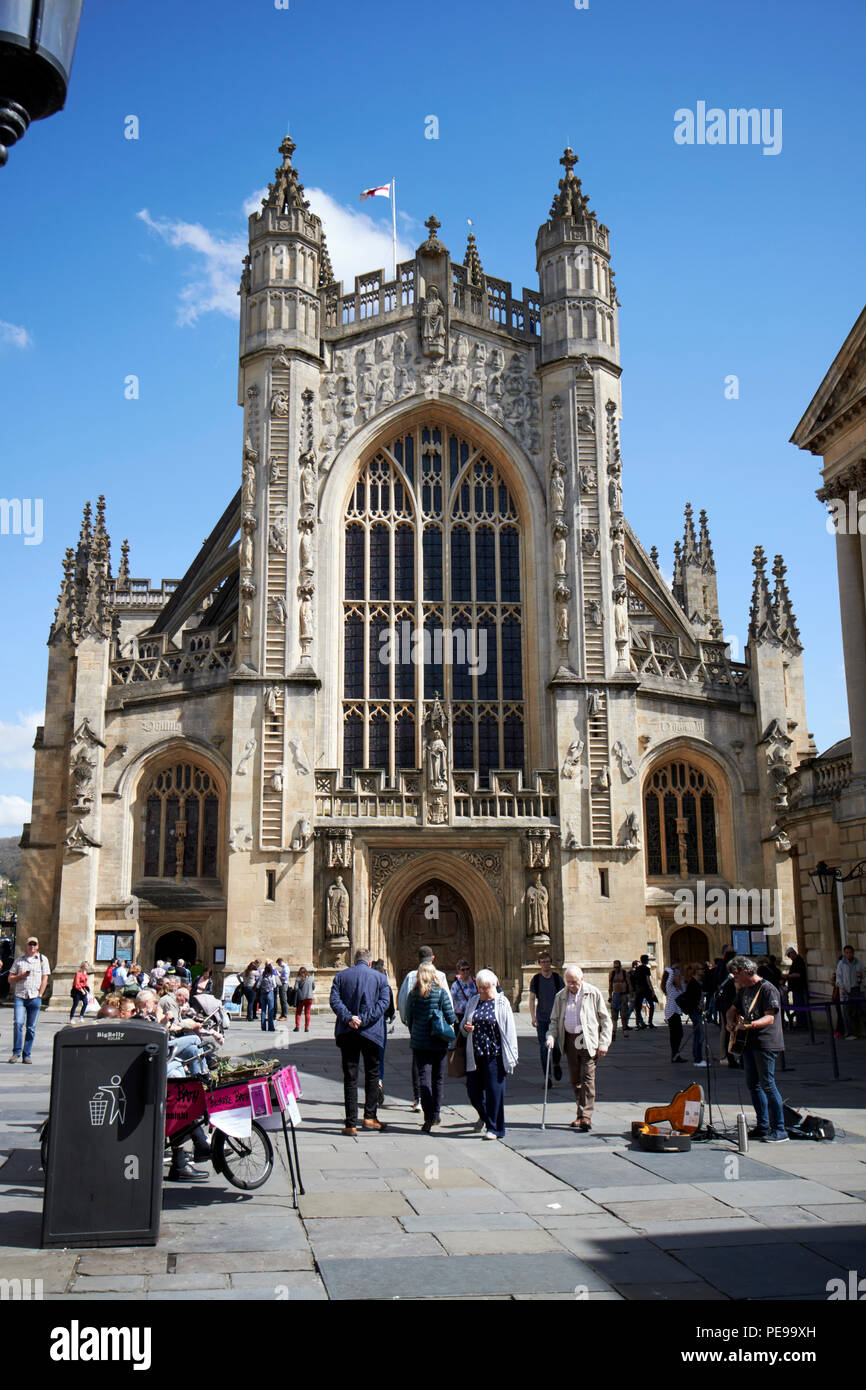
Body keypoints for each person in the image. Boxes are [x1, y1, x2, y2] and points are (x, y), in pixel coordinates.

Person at [726, 955, 788, 1142]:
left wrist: (750, 1025)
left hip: (765, 1042)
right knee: (752, 1085)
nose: (734, 979)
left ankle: (779, 1128)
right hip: (748, 1043)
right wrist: (730, 1023)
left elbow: (770, 1017)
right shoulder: (745, 990)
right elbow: (732, 1010)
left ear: (745, 972)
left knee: (768, 1084)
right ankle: (763, 1125)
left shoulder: (767, 989)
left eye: (736, 975)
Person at [330, 948, 391, 1136]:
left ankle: (350, 1124)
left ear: (354, 960)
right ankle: (370, 1117)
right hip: (371, 1033)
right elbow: (384, 1003)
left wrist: (350, 1018)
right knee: (372, 1074)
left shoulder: (341, 976)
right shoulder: (380, 978)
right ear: (370, 962)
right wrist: (364, 1019)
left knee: (350, 1077)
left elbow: (334, 1000)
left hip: (348, 1031)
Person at [546, 965, 612, 1131]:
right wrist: (550, 1036)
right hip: (569, 1039)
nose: (572, 985)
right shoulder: (560, 996)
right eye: (569, 982)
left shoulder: (593, 993)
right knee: (575, 1079)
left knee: (587, 1077)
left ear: (581, 979)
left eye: (574, 982)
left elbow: (606, 1020)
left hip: (588, 1039)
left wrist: (604, 1043)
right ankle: (580, 1112)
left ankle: (586, 1116)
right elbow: (554, 1020)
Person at [462, 969, 518, 1140]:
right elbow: (464, 1026)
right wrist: (466, 1028)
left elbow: (510, 1031)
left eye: (485, 988)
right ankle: (487, 1118)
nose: (482, 991)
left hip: (495, 1055)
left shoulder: (502, 1003)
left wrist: (513, 1056)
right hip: (476, 1055)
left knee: (495, 1093)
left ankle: (495, 1129)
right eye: (479, 988)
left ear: (494, 985)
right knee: (473, 1092)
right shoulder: (473, 1001)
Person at [405, 962, 457, 1133]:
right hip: (439, 1042)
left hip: (420, 1043)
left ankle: (428, 1116)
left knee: (423, 1078)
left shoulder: (413, 995)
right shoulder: (441, 993)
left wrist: (416, 1031)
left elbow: (408, 1018)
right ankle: (436, 1113)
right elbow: (450, 1017)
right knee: (438, 1079)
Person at [398, 947, 449, 1113]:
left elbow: (403, 1002)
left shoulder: (411, 976)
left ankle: (418, 1098)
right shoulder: (440, 976)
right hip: (437, 1029)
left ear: (418, 958)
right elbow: (449, 1003)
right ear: (433, 958)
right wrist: (450, 1024)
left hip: (418, 1028)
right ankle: (435, 1109)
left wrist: (408, 1023)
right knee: (438, 1071)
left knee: (419, 1064)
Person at [8, 937, 51, 1064]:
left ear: (37, 946)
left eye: (34, 944)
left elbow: (45, 978)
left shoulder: (43, 960)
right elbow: (10, 979)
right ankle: (16, 1053)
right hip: (20, 996)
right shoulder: (19, 961)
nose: (32, 946)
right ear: (26, 946)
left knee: (31, 1027)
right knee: (18, 1023)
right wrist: (20, 976)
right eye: (30, 944)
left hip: (34, 997)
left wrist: (40, 994)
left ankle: (27, 1054)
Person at [529, 952, 565, 1083]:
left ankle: (556, 1064)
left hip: (556, 1019)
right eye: (543, 962)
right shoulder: (536, 980)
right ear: (539, 964)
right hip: (542, 1019)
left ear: (551, 963)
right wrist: (533, 1017)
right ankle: (547, 1076)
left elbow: (563, 998)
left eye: (548, 962)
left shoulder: (557, 978)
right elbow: (532, 999)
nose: (545, 964)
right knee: (544, 1048)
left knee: (556, 1046)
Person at [371, 959, 395, 1107]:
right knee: (379, 1056)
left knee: (368, 1058)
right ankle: (379, 1080)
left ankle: (371, 1089)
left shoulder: (367, 984)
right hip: (381, 1025)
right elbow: (391, 1009)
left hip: (366, 1025)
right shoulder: (386, 986)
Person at [677, 964, 707, 1066]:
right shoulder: (693, 983)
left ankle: (698, 1057)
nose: (703, 971)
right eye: (701, 969)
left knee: (699, 1034)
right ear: (696, 971)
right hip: (695, 1011)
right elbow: (691, 998)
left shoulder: (696, 982)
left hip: (696, 1011)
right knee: (699, 1034)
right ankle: (698, 1058)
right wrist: (697, 1005)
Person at [836, 944, 864, 1039]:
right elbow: (838, 977)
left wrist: (861, 978)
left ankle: (858, 1031)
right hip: (847, 990)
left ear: (853, 953)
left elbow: (862, 974)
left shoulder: (858, 963)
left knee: (857, 1011)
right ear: (844, 953)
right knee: (847, 1012)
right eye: (846, 953)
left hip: (856, 988)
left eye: (850, 952)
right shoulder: (841, 964)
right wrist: (842, 987)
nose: (848, 954)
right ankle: (849, 1032)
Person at [783, 945, 809, 1029]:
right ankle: (799, 1022)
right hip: (796, 988)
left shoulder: (798, 961)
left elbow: (798, 974)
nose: (790, 957)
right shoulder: (796, 961)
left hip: (799, 988)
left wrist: (788, 976)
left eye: (789, 955)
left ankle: (802, 1024)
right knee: (797, 1006)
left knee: (799, 1006)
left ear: (793, 953)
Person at [664, 961, 685, 1062]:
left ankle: (676, 1053)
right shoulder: (670, 987)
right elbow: (669, 973)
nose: (678, 978)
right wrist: (672, 968)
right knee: (675, 1034)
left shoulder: (679, 988)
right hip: (671, 1012)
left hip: (676, 1012)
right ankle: (675, 1054)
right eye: (677, 977)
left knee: (679, 1034)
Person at [450, 959, 478, 1029]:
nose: (466, 971)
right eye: (463, 970)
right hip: (460, 1015)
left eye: (467, 969)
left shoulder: (475, 981)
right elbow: (451, 999)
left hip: (472, 1013)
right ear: (459, 971)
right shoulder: (455, 985)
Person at [631, 954, 657, 1028]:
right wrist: (652, 990)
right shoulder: (646, 969)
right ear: (646, 960)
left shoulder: (637, 969)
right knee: (651, 1005)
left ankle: (639, 1022)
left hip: (639, 989)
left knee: (638, 1007)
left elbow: (635, 979)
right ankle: (650, 1022)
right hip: (646, 989)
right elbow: (648, 980)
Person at [608, 959, 631, 1038]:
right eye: (615, 967)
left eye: (617, 967)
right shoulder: (612, 973)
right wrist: (610, 995)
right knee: (614, 1014)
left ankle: (625, 1029)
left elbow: (629, 984)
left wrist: (631, 995)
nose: (616, 969)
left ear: (620, 966)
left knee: (623, 1013)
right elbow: (610, 985)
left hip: (623, 995)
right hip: (615, 995)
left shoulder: (624, 973)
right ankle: (614, 1031)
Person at [293, 966, 315, 1032]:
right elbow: (313, 987)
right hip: (310, 997)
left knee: (298, 1012)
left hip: (301, 998)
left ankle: (297, 1027)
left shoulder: (298, 979)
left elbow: (296, 988)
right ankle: (307, 1028)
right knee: (307, 1013)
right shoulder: (310, 978)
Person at [257, 962, 278, 1032]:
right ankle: (271, 1027)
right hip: (270, 993)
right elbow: (274, 985)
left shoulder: (262, 976)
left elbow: (258, 985)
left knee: (263, 1010)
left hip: (263, 994)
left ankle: (263, 1027)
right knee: (270, 1010)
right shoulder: (272, 976)